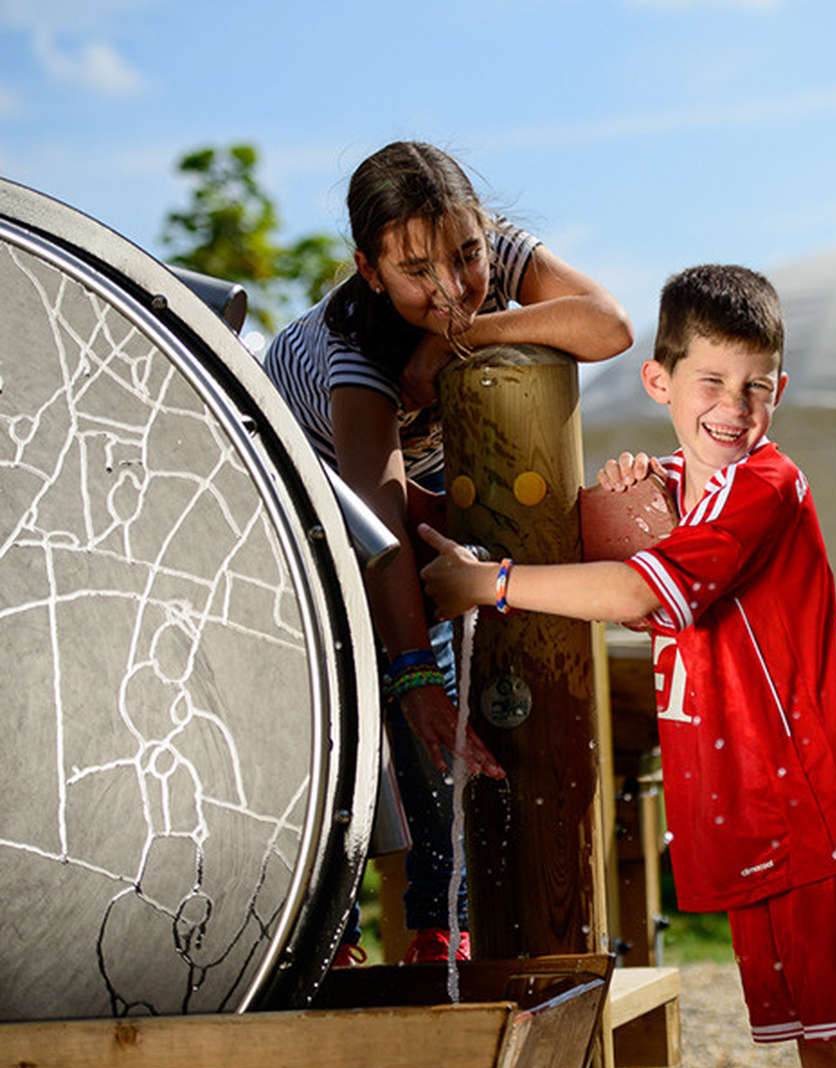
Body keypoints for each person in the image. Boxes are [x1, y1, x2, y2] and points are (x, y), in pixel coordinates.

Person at [419, 264, 836, 1068]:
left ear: (780, 389)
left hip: (827, 820)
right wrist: (632, 503)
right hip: (764, 826)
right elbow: (630, 583)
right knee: (821, 1057)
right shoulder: (676, 494)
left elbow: (639, 592)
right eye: (711, 381)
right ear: (658, 381)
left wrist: (489, 583)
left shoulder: (767, 485)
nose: (732, 406)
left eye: (754, 386)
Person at [262, 141, 633, 965]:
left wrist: (461, 339)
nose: (450, 286)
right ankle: (326, 944)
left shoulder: (487, 260)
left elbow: (608, 324)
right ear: (369, 269)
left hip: (411, 517)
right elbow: (378, 529)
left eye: (464, 254)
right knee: (364, 718)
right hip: (298, 528)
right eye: (416, 271)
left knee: (472, 727)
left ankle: (450, 930)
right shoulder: (356, 353)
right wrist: (416, 677)